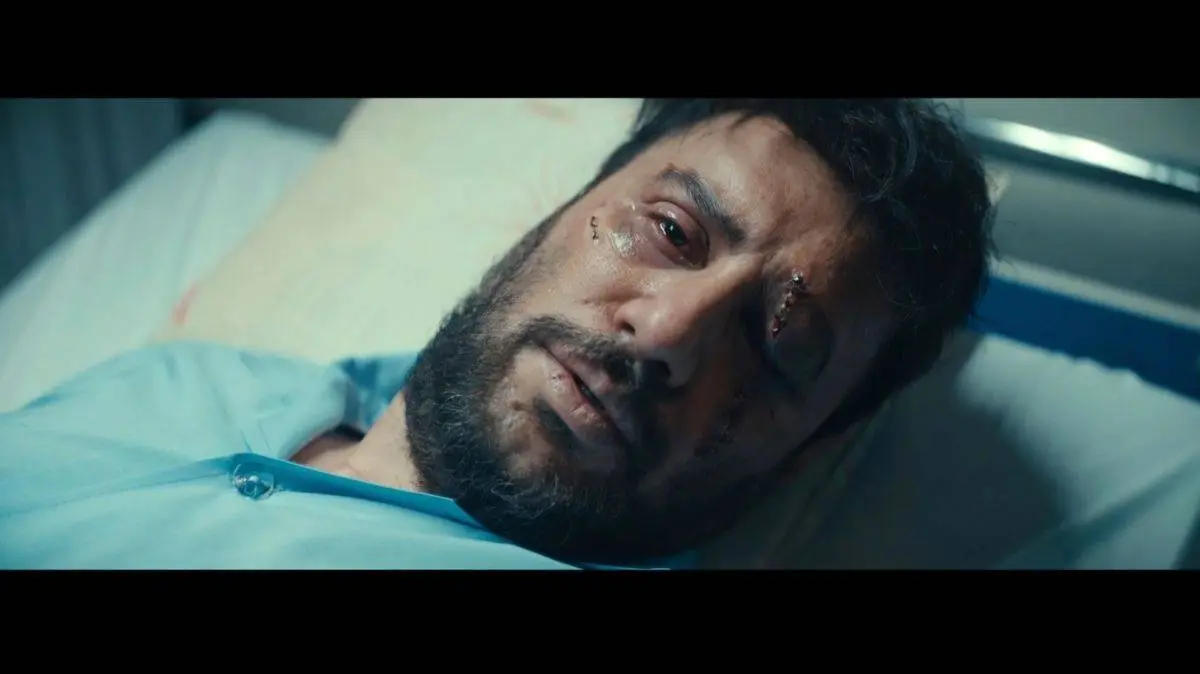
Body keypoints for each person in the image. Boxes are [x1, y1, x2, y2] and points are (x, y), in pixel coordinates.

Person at [0, 99, 994, 569]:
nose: (665, 332)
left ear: (797, 458)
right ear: (561, 209)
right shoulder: (190, 379)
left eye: (773, 350)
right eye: (672, 231)